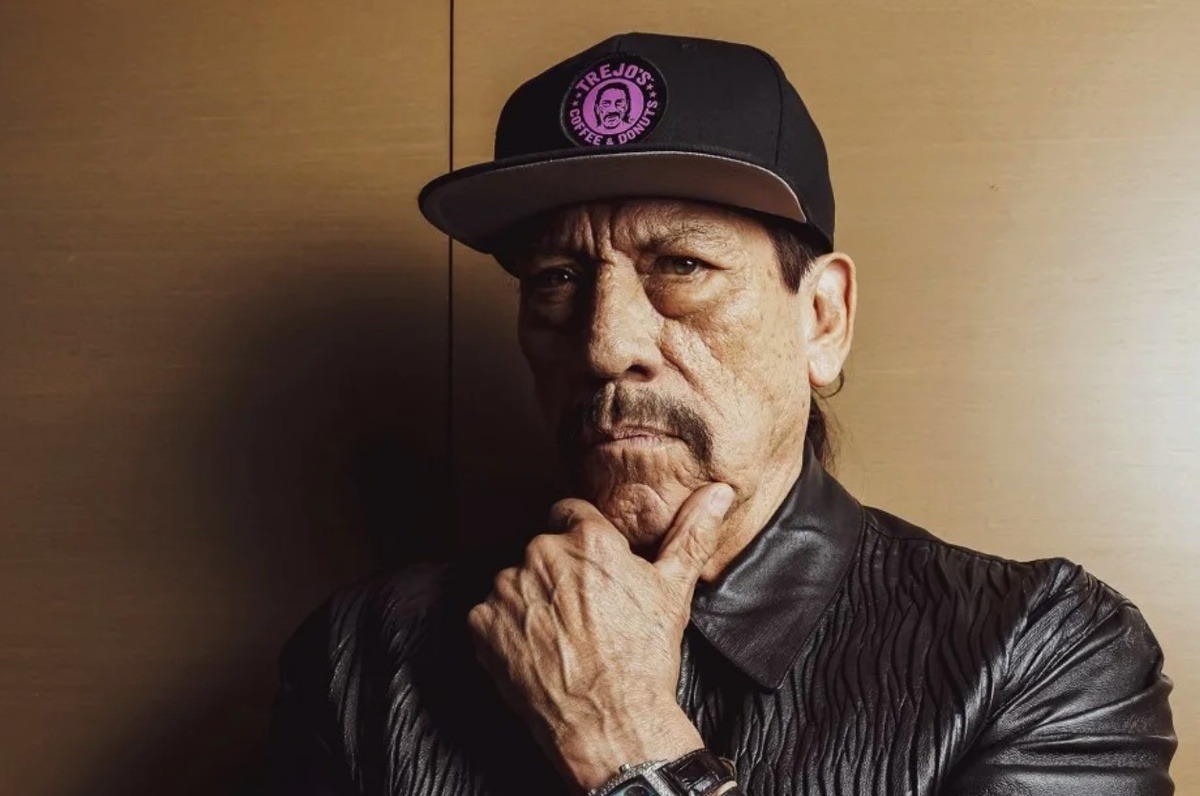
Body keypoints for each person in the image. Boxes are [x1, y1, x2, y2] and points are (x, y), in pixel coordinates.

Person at [266, 32, 1176, 795]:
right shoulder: (363, 657)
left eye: (682, 266)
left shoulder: (1043, 653)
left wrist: (628, 744)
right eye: (557, 279)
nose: (604, 344)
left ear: (822, 320)